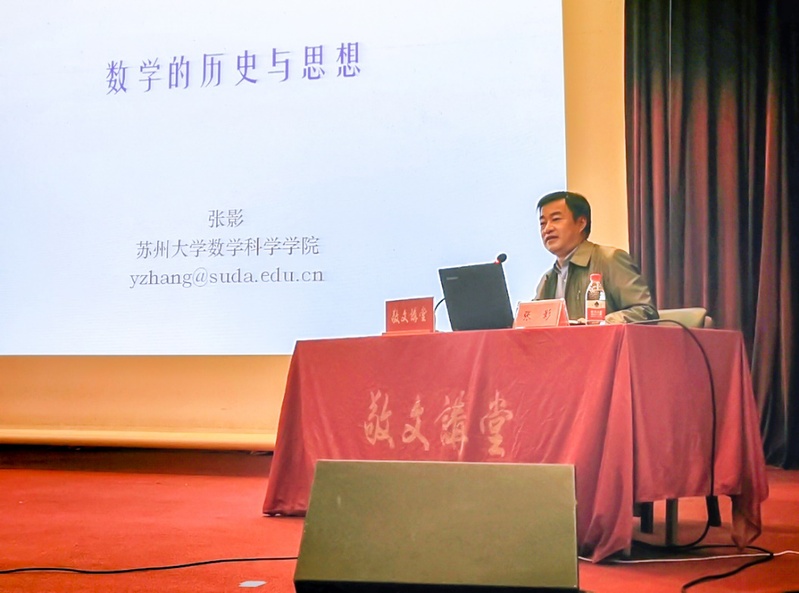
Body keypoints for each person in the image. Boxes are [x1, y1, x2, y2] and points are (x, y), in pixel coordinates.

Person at [534, 190, 658, 324]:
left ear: (581, 223)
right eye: (542, 223)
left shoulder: (609, 259)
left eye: (556, 219)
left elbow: (645, 312)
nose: (547, 229)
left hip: (605, 338)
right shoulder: (548, 278)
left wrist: (600, 323)